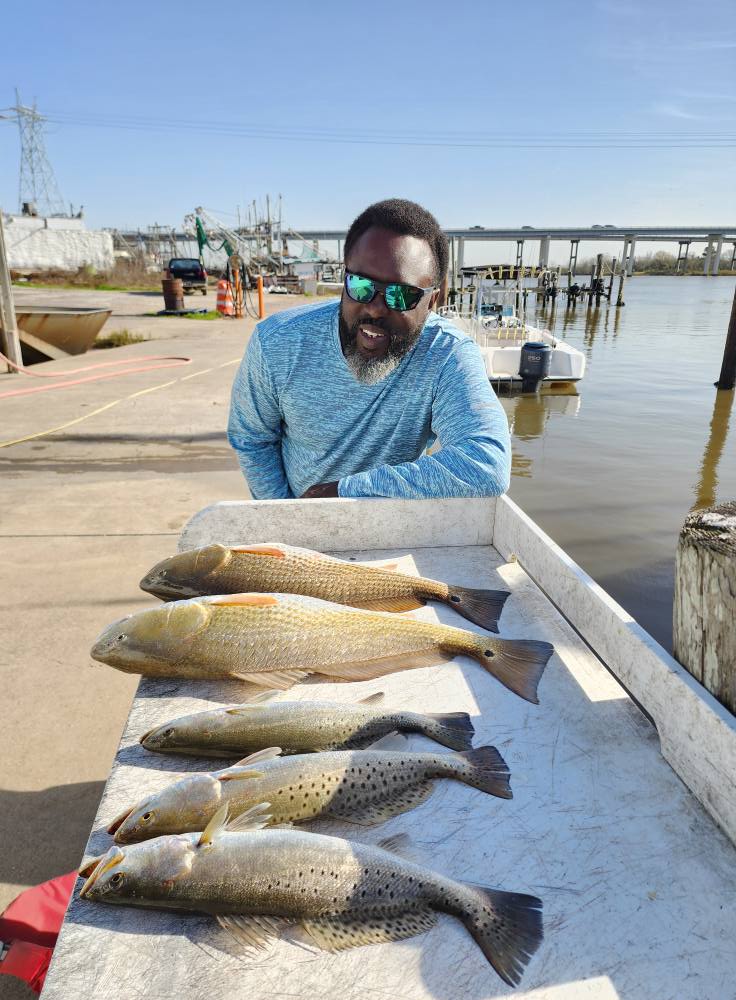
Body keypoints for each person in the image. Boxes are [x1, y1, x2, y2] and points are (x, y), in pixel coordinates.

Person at [228, 198, 511, 500]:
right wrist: (287, 514)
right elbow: (252, 439)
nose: (375, 309)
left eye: (400, 295)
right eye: (360, 285)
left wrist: (345, 492)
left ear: (433, 300)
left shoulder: (446, 355)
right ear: (344, 278)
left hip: (394, 521)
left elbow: (487, 463)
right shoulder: (278, 342)